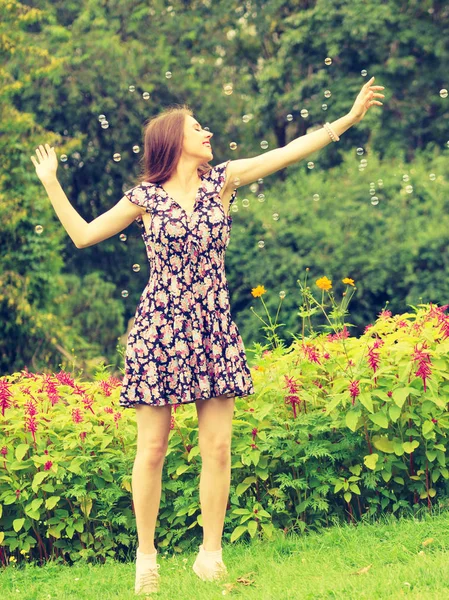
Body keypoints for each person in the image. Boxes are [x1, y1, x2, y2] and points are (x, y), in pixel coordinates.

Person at [31, 76, 384, 595]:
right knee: (152, 448)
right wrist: (51, 183)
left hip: (213, 325)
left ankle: (210, 556)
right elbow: (83, 235)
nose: (208, 132)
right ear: (174, 141)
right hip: (160, 329)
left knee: (218, 447)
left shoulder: (223, 180)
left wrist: (346, 122)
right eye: (197, 128)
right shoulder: (145, 198)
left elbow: (287, 152)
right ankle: (146, 558)